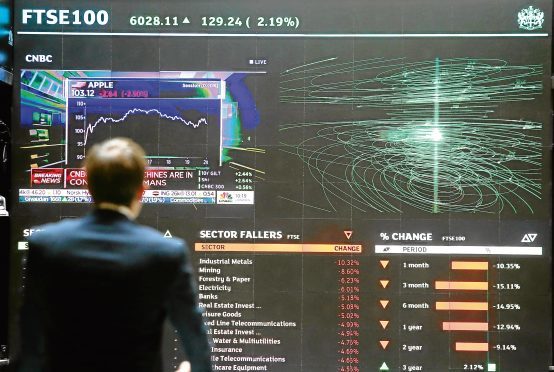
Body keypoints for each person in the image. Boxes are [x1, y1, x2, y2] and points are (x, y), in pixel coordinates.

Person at [17, 138, 212, 372]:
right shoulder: (166, 252)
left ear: (87, 186)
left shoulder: (44, 245)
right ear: (141, 190)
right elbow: (195, 340)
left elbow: (30, 344)